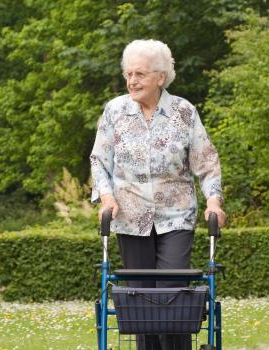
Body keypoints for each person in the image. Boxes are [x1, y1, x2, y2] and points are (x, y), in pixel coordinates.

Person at [90, 39, 226, 350]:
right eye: (128, 73)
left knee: (172, 293)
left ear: (160, 77)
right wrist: (107, 198)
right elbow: (99, 159)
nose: (132, 81)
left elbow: (206, 163)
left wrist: (214, 201)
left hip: (176, 216)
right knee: (139, 300)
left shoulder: (184, 112)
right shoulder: (115, 111)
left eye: (140, 74)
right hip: (130, 215)